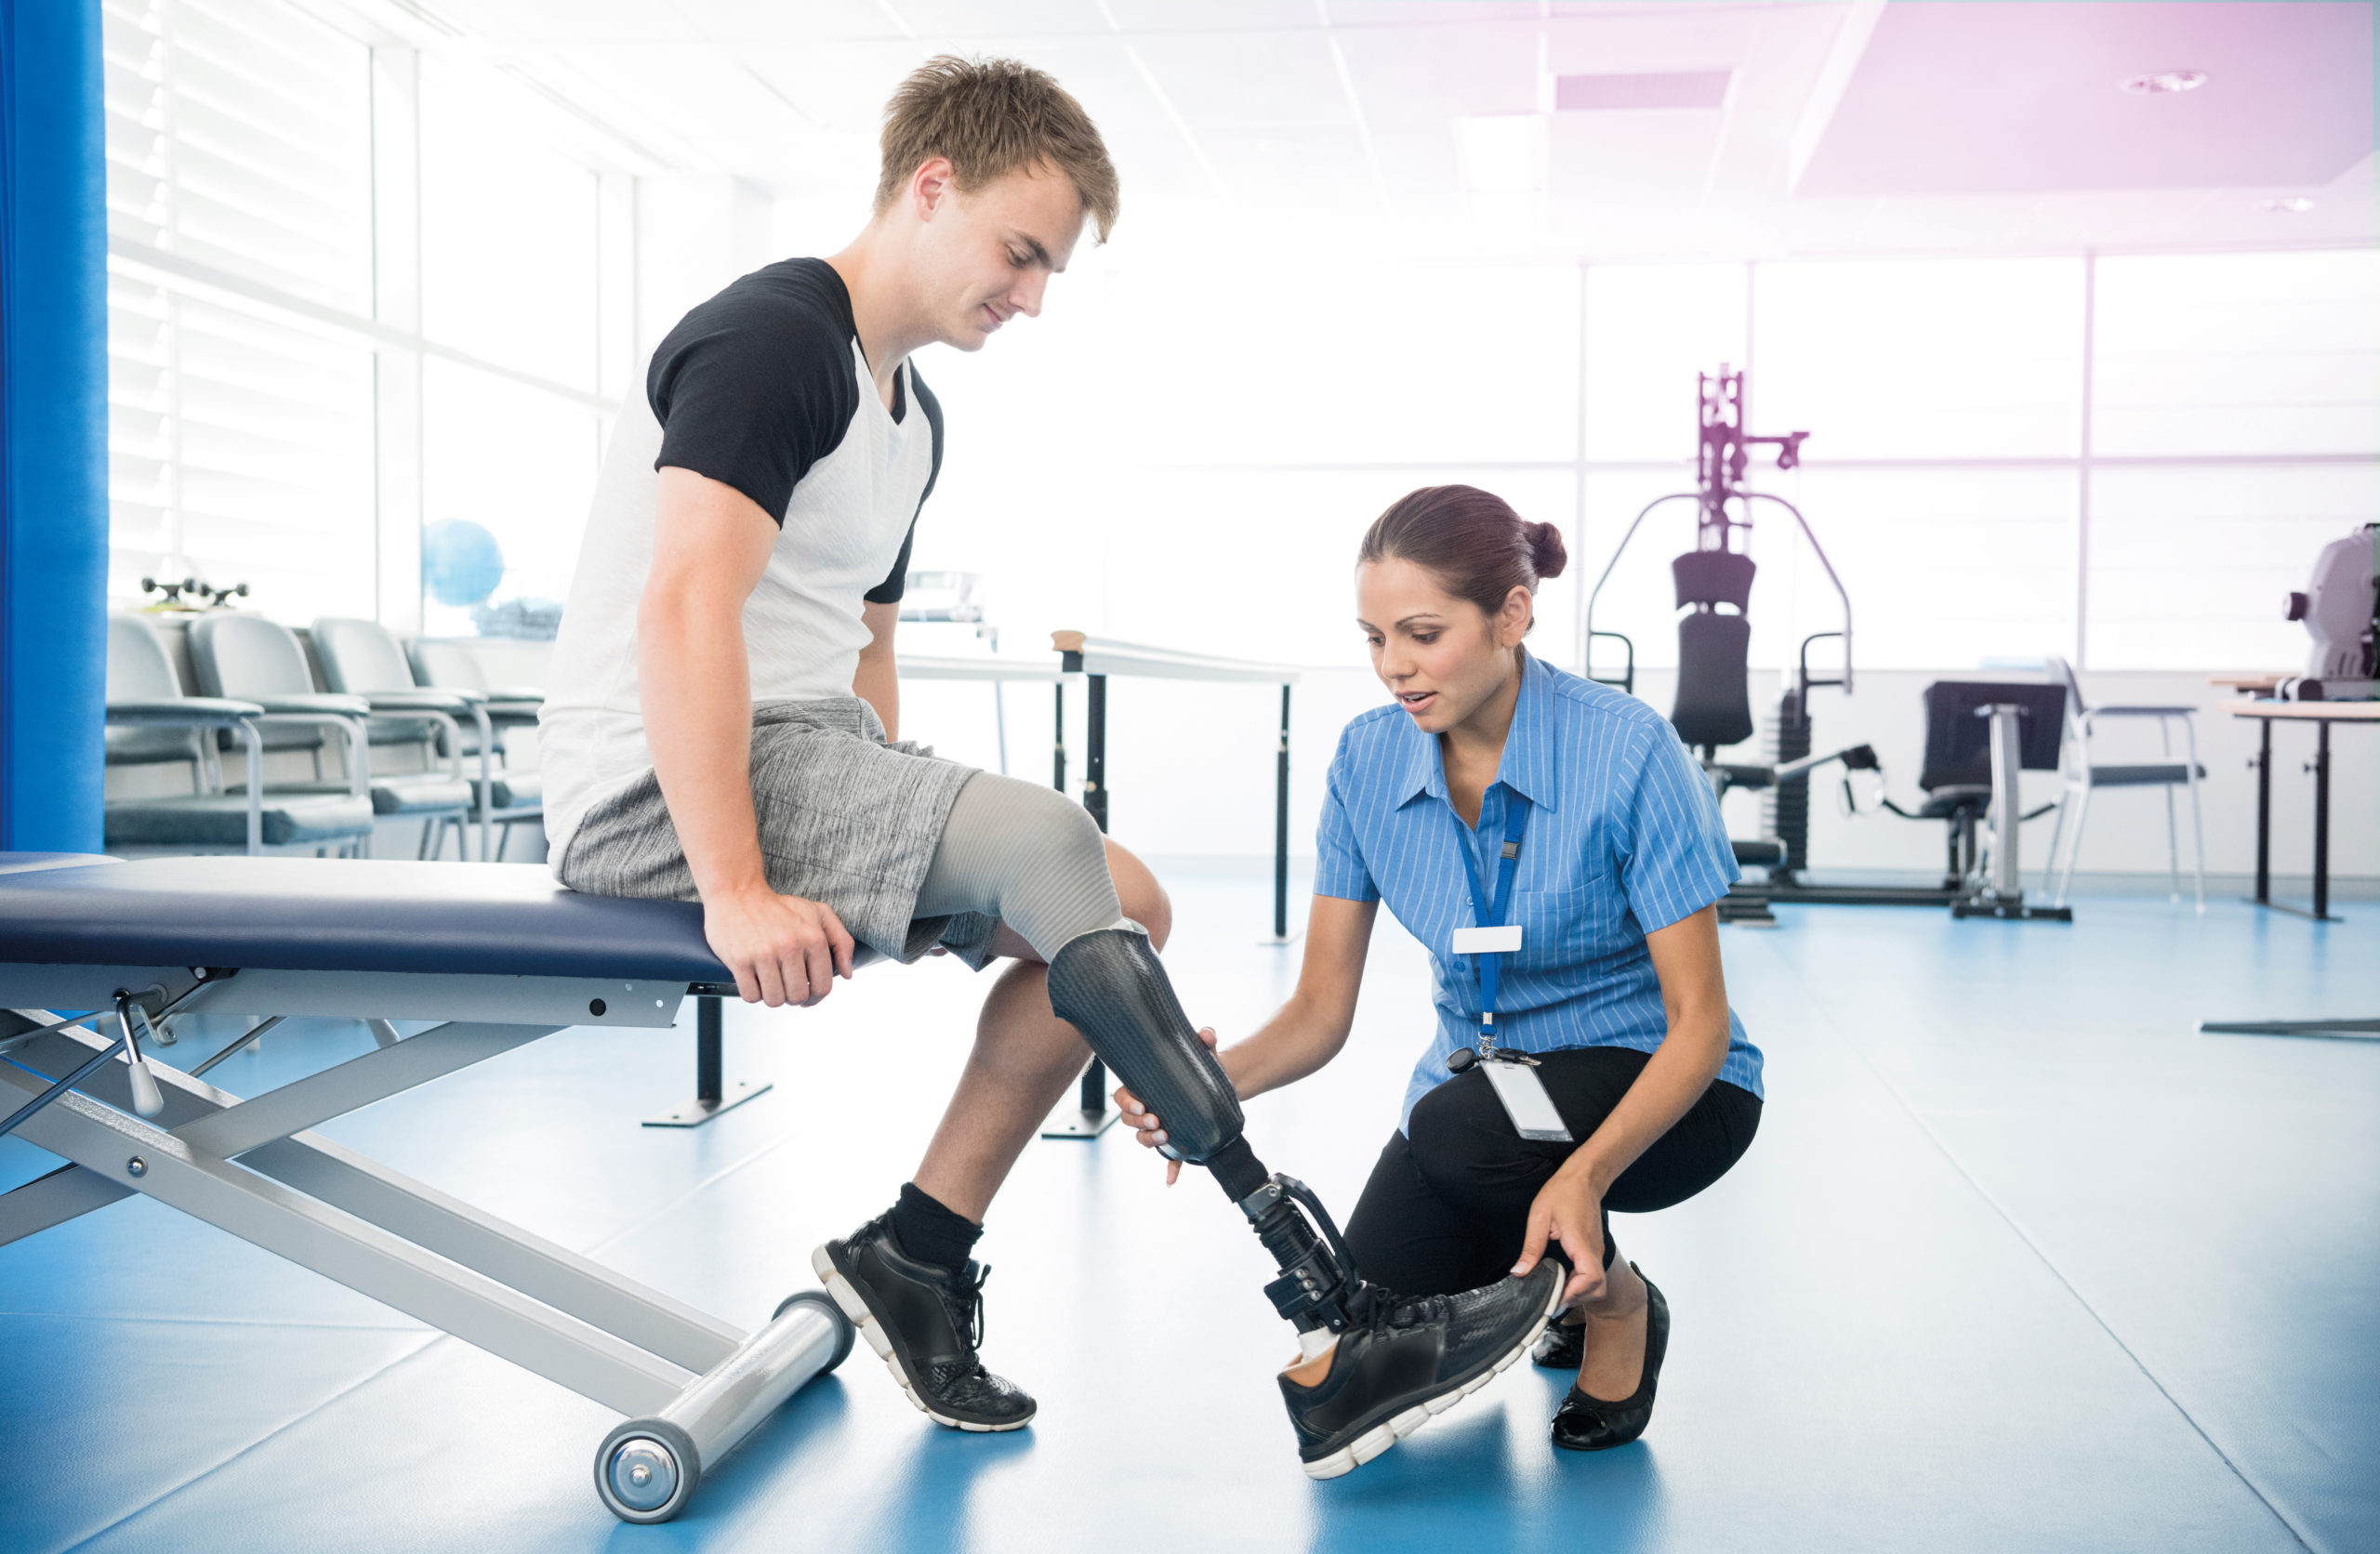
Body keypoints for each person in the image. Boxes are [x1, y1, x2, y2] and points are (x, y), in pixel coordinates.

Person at [538, 59, 1561, 1465]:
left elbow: (863, 650)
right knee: (1049, 840)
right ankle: (1326, 1306)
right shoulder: (772, 338)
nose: (1028, 297)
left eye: (1048, 272)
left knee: (1123, 901)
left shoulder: (912, 412)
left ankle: (917, 1251)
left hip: (799, 753)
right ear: (931, 184)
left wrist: (887, 827)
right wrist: (734, 887)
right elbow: (682, 607)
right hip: (654, 783)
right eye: (1020, 254)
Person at [1118, 483, 1765, 1457]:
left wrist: (1584, 1174)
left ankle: (1622, 1304)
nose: (1394, 668)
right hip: (1481, 1103)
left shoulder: (1628, 748)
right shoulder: (1368, 761)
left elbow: (1699, 1022)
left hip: (1663, 1081)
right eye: (1374, 638)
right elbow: (1318, 1007)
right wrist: (1201, 1086)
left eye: (1421, 633)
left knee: (1462, 1126)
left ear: (1512, 611)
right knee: (1368, 1316)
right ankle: (1551, 1264)